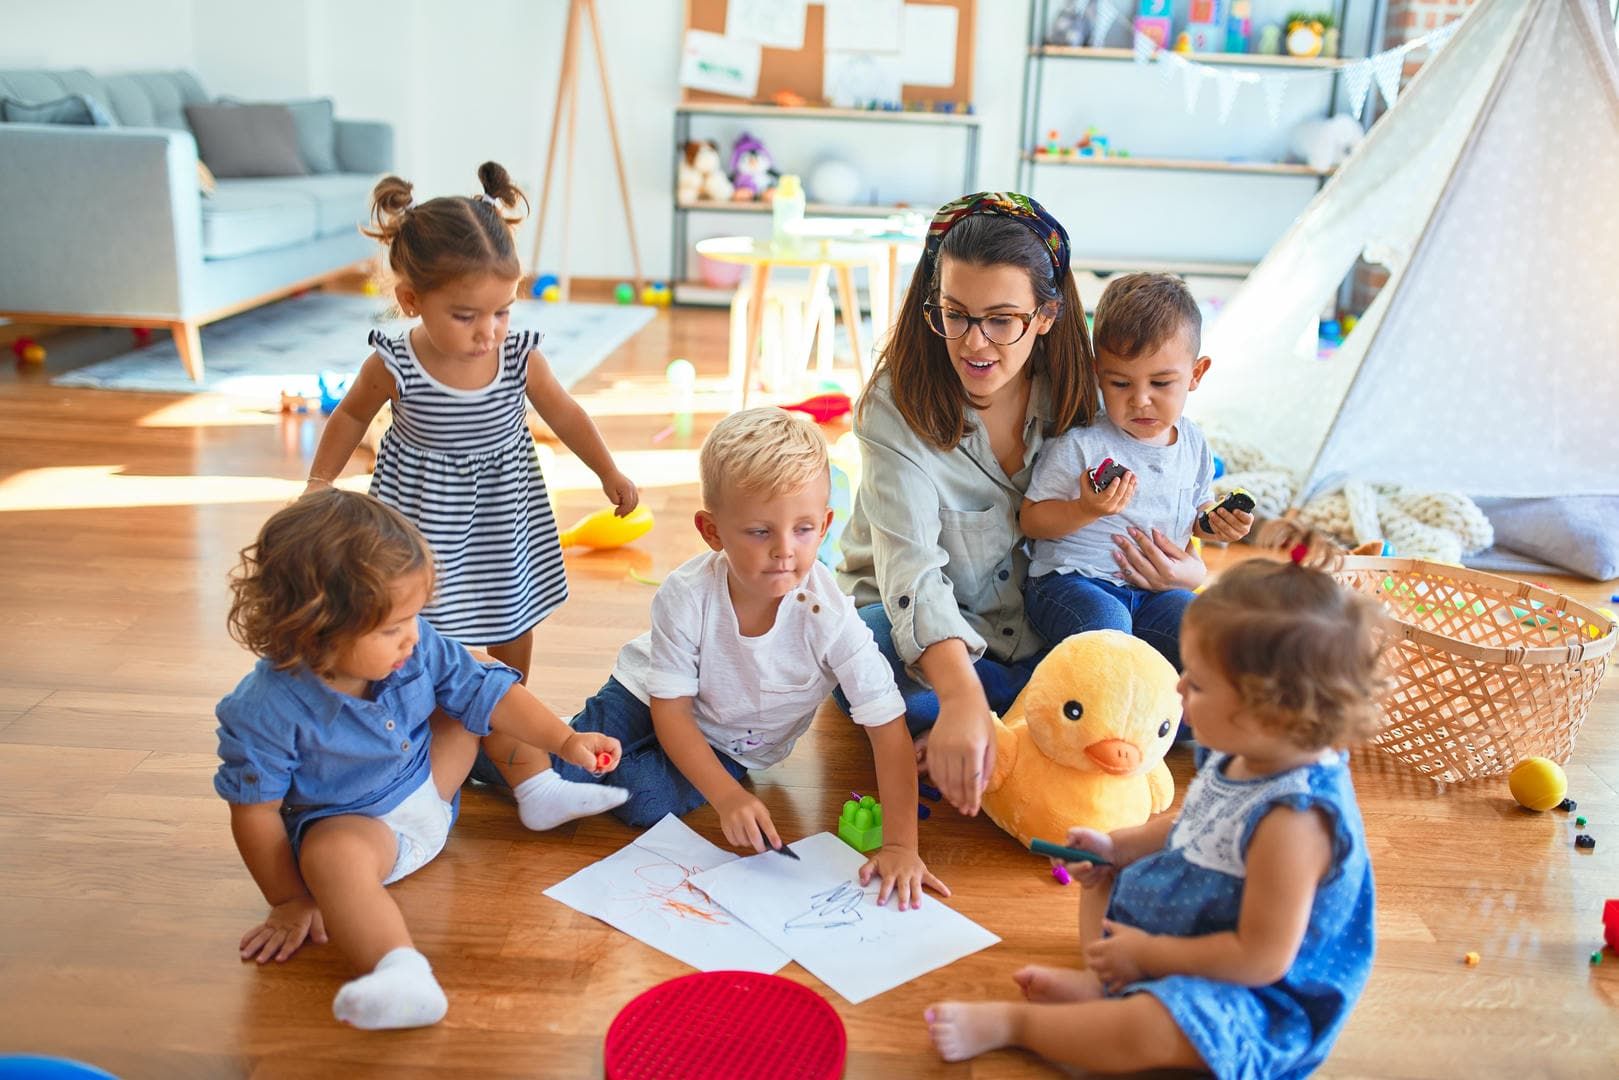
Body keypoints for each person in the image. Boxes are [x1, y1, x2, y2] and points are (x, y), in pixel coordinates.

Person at [925, 530, 1384, 1078]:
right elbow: (1193, 825)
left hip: (1261, 994)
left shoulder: (1296, 821)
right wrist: (1115, 847)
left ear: (1270, 711)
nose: (1181, 688)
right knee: (1105, 875)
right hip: (1205, 928)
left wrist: (1150, 956)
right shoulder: (1246, 751)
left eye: (1201, 683)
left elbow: (1260, 959)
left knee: (1151, 1030)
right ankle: (1106, 987)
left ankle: (1019, 1027)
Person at [302, 161, 637, 823]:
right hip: (419, 517)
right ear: (411, 302)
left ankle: (508, 726)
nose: (488, 330)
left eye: (501, 311)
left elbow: (565, 413)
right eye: (465, 315)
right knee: (421, 629)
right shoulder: (394, 360)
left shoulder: (518, 357)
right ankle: (421, 735)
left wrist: (608, 470)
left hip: (502, 513)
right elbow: (347, 416)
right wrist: (320, 482)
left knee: (512, 615)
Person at [215, 490, 623, 1029]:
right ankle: (399, 970)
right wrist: (290, 900)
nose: (413, 635)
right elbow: (255, 813)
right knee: (331, 855)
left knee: (479, 686)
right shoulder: (264, 708)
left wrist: (565, 742)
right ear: (314, 629)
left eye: (415, 616)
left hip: (433, 784)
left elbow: (492, 695)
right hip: (364, 834)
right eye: (392, 627)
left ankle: (538, 790)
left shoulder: (415, 642)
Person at [516, 408, 947, 908]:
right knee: (561, 768)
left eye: (804, 529)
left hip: (732, 746)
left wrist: (899, 846)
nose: (785, 551)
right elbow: (670, 710)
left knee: (645, 802)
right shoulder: (686, 594)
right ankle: (497, 727)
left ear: (826, 524)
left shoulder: (831, 618)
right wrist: (726, 798)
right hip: (643, 696)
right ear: (712, 531)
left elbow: (887, 728)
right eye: (760, 532)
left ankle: (593, 748)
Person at [835, 191, 1097, 815]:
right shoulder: (893, 407)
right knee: (858, 656)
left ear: (1046, 315)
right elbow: (912, 574)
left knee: (1139, 644)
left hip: (1036, 624)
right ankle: (1016, 719)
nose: (975, 344)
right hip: (921, 636)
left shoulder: (1078, 393)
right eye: (955, 314)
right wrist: (960, 698)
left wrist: (1184, 563)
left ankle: (992, 721)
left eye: (1002, 320)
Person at [1020, 272, 1252, 672]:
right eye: (1121, 383)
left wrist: (1216, 523)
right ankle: (1025, 688)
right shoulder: (1083, 441)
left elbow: (1195, 513)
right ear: (1098, 374)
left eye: (1161, 383)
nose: (1141, 400)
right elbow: (1031, 520)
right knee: (1109, 629)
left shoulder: (1193, 443)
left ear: (1196, 374)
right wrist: (1085, 509)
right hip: (1071, 582)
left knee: (1205, 633)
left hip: (1155, 593)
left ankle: (1171, 722)